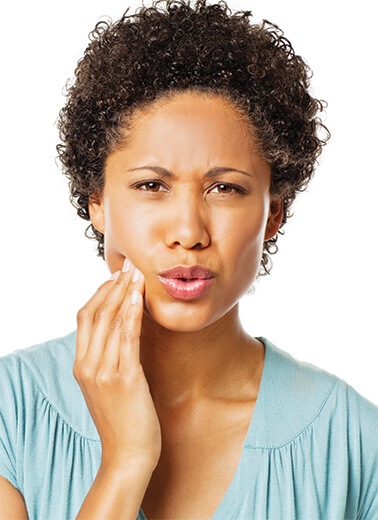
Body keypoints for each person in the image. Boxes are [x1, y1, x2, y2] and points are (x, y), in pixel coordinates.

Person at [0, 0, 377, 518]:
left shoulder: (354, 442)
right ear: (97, 204)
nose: (188, 232)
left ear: (273, 214)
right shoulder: (11, 412)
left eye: (225, 188)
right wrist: (126, 462)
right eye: (151, 185)